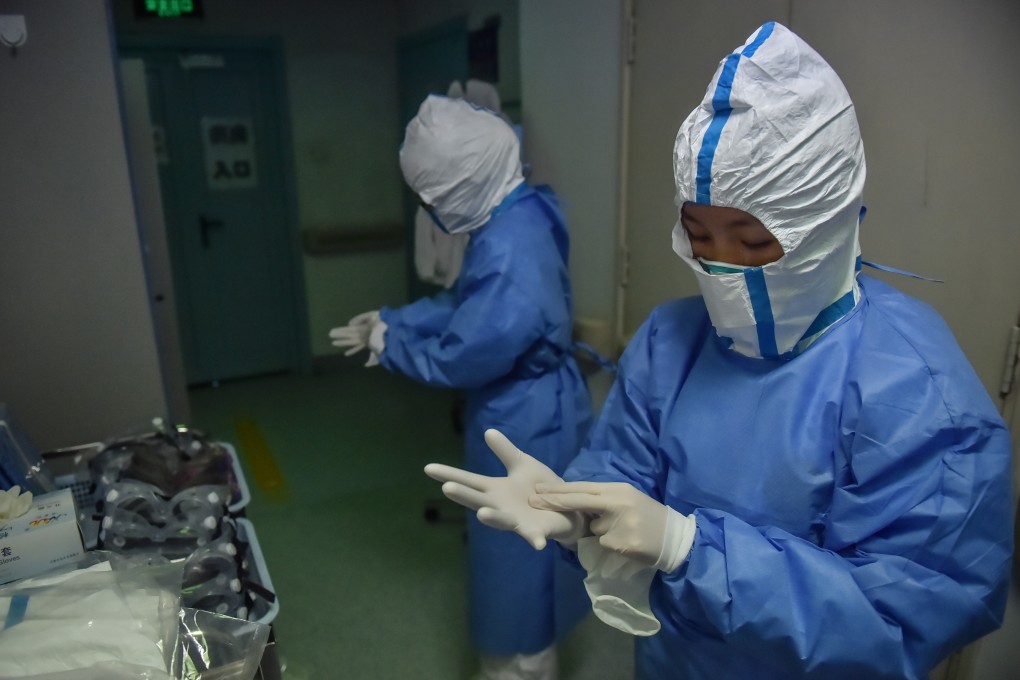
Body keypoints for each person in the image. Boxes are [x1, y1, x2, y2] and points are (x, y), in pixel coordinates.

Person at [424, 22, 1014, 680]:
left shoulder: (915, 389)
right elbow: (622, 472)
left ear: (827, 222)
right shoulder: (669, 339)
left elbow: (904, 617)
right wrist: (579, 513)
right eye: (699, 237)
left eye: (753, 243)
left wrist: (689, 547)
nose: (723, 270)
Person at [329, 94, 593, 680]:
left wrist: (388, 346)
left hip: (525, 423)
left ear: (460, 185)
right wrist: (395, 319)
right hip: (532, 404)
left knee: (518, 562)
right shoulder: (518, 211)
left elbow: (465, 355)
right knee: (532, 550)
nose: (430, 208)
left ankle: (521, 665)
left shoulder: (509, 253)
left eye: (432, 197)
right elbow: (464, 302)